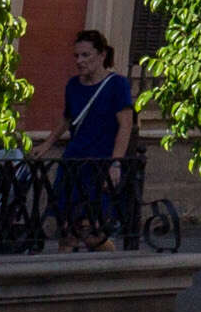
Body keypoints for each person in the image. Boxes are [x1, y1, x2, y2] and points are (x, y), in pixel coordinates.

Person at [52, 30, 137, 251]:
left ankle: (113, 269)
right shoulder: (73, 85)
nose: (79, 61)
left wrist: (115, 163)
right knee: (67, 232)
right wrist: (47, 144)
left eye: (85, 55)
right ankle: (60, 280)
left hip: (99, 166)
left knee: (91, 233)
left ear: (101, 55)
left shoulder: (117, 85)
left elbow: (125, 125)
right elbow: (68, 118)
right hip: (73, 163)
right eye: (77, 56)